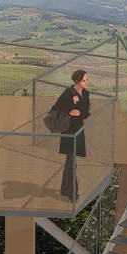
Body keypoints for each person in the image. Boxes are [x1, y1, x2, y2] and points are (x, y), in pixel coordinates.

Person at [50, 69, 90, 199]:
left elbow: (86, 112)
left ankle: (65, 189)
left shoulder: (86, 94)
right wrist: (69, 109)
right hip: (69, 130)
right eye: (84, 80)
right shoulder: (68, 92)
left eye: (87, 79)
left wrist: (79, 112)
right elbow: (55, 109)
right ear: (77, 81)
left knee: (70, 161)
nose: (86, 82)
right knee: (72, 161)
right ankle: (72, 192)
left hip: (78, 129)